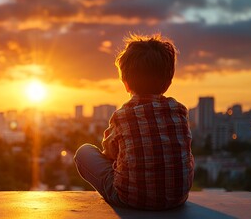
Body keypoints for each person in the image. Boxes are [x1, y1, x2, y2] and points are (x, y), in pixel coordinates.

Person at [73, 34, 194, 210]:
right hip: (177, 198)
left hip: (131, 199)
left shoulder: (123, 116)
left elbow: (109, 152)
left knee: (83, 152)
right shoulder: (180, 111)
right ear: (168, 82)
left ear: (126, 83)